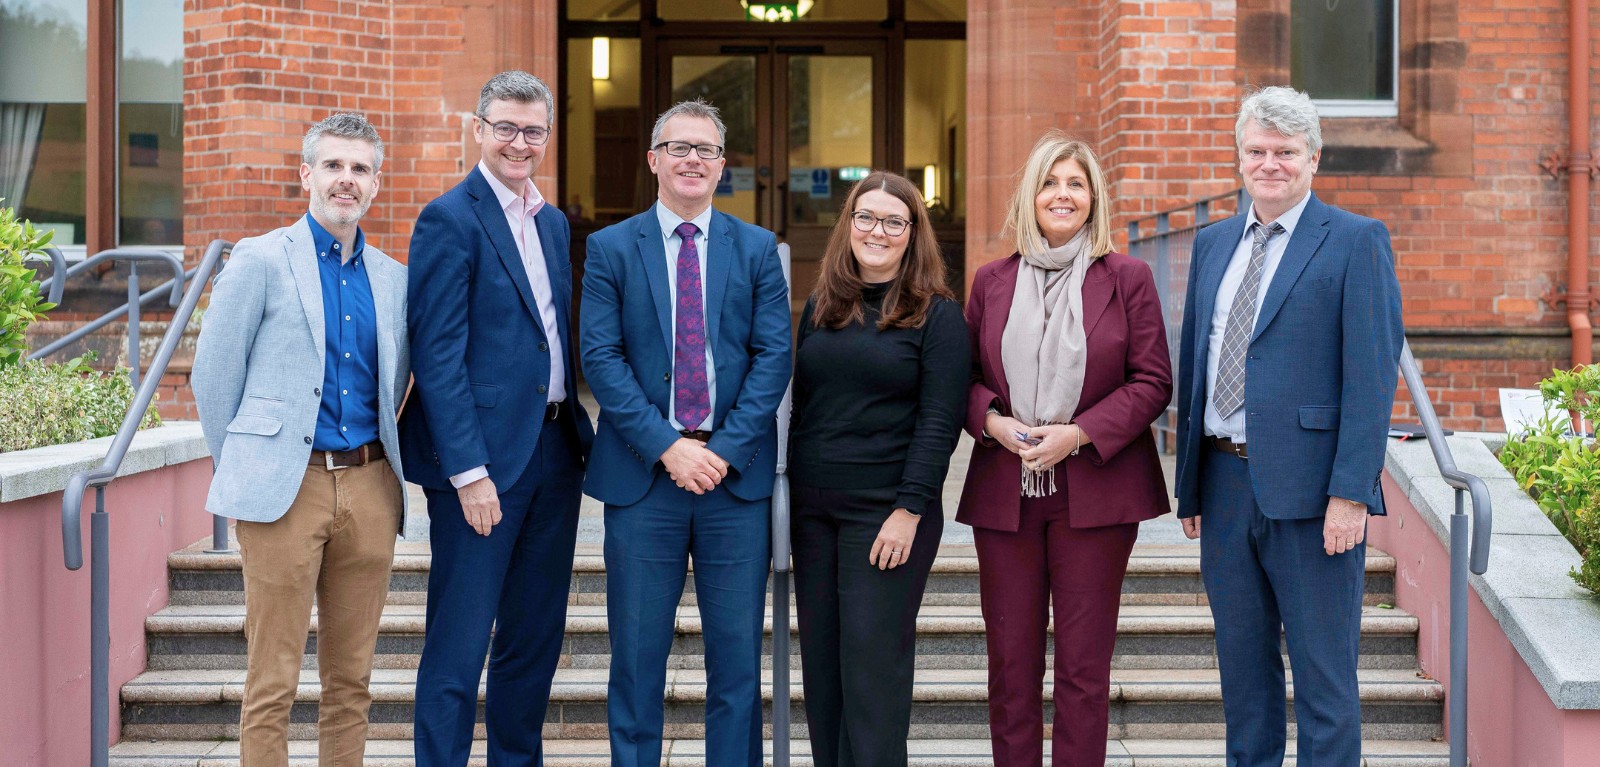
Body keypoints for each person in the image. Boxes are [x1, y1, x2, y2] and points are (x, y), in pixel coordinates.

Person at [1174, 86, 1403, 767]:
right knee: (1244, 680)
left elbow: (1371, 377)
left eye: (1285, 152)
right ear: (1239, 156)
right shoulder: (1214, 243)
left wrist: (1351, 492)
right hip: (1223, 484)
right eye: (1256, 151)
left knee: (1325, 681)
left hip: (1314, 497)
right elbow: (1198, 362)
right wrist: (1190, 487)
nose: (1269, 164)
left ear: (1313, 159)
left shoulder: (1356, 241)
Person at [579, 98, 792, 767]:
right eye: (679, 147)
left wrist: (721, 452)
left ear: (723, 165)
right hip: (645, 482)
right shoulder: (611, 247)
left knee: (735, 670)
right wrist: (669, 446)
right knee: (636, 664)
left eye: (705, 149)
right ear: (654, 160)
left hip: (734, 484)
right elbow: (600, 359)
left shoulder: (757, 249)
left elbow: (773, 358)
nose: (692, 159)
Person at [192, 111, 408, 767]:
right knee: (273, 681)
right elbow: (213, 377)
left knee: (352, 683)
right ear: (306, 173)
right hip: (287, 489)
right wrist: (250, 471)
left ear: (375, 182)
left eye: (361, 168)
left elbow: (399, 383)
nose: (347, 179)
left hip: (371, 486)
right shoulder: (259, 258)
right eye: (335, 165)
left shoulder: (394, 278)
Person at [956, 132, 1172, 767]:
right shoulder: (991, 281)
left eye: (1075, 183)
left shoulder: (1127, 277)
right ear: (1031, 195)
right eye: (1050, 182)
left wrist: (1077, 435)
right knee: (1011, 667)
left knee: (1083, 671)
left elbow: (1153, 380)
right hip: (1006, 493)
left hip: (1097, 495)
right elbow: (961, 378)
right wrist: (993, 424)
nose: (1062, 194)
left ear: (1093, 199)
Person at [399, 70, 594, 767]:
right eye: (505, 126)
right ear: (478, 129)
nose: (519, 141)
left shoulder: (552, 221)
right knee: (458, 642)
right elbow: (438, 353)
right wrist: (468, 471)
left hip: (554, 453)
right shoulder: (448, 218)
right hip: (481, 466)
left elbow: (550, 337)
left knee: (533, 640)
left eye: (533, 129)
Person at [789, 171, 969, 767]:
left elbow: (939, 423)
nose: (878, 231)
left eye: (895, 221)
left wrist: (909, 509)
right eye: (866, 217)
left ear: (914, 233)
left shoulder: (937, 316)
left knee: (872, 669)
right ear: (848, 224)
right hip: (814, 511)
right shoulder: (823, 303)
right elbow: (804, 407)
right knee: (823, 669)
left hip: (886, 511)